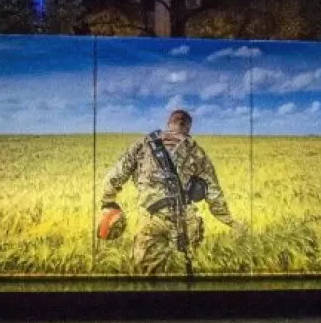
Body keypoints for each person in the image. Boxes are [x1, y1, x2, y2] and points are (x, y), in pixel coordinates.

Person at [98, 109, 246, 275]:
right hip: (185, 220)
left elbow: (115, 175)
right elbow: (213, 193)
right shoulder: (196, 151)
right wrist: (230, 222)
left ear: (169, 124)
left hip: (151, 218)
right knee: (185, 272)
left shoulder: (143, 144)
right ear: (188, 127)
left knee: (147, 275)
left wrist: (108, 202)